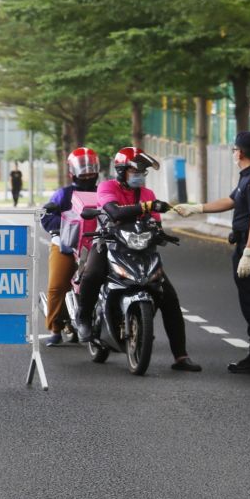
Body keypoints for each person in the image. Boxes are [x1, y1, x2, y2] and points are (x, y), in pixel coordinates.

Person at [75, 147, 201, 372]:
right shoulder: (107, 187)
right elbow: (114, 212)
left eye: (143, 172)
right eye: (136, 170)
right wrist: (145, 207)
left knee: (169, 298)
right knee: (92, 274)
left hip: (141, 249)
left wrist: (160, 233)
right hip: (109, 243)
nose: (140, 175)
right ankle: (83, 318)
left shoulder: (148, 193)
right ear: (122, 170)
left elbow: (155, 222)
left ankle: (181, 356)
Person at [174, 131, 250, 373]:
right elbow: (231, 201)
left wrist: (249, 252)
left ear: (240, 152)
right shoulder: (249, 177)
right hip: (248, 246)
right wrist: (196, 208)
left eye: (234, 149)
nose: (233, 152)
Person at [41, 147, 100, 347]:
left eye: (91, 169)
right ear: (73, 172)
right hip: (66, 245)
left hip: (96, 245)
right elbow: (46, 218)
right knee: (57, 285)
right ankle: (55, 329)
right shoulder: (63, 194)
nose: (88, 173)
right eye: (84, 169)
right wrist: (67, 225)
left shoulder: (103, 192)